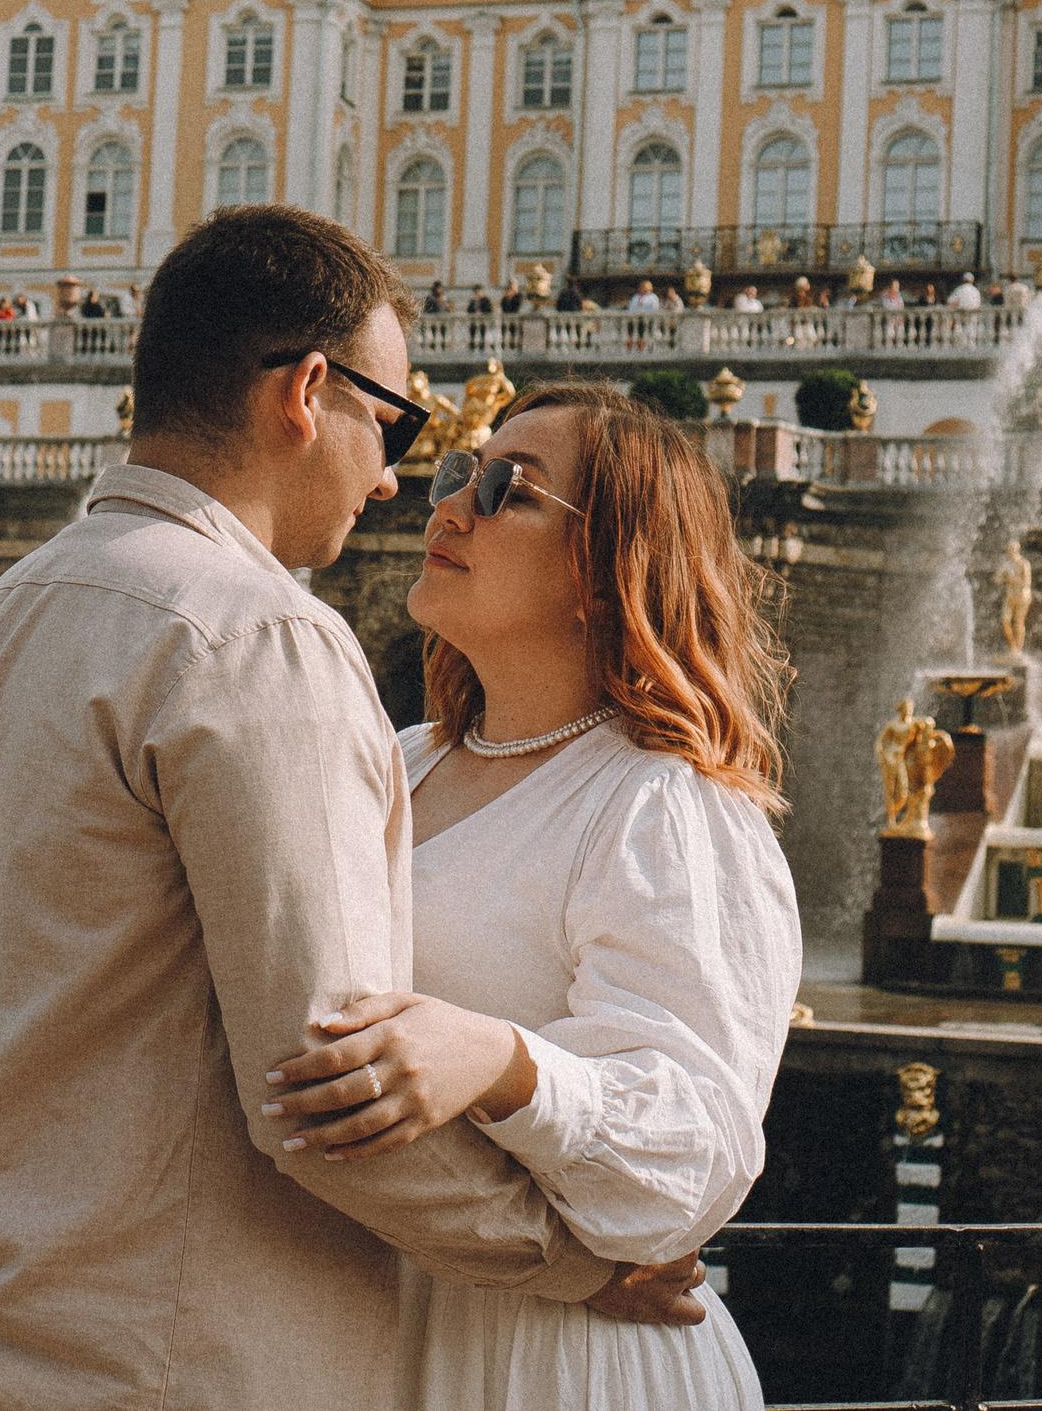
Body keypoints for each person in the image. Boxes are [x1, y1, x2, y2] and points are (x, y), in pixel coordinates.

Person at [0, 206, 700, 1411]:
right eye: (396, 426)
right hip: (133, 1360)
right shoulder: (260, 640)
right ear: (308, 392)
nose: (393, 479)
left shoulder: (10, 610)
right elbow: (320, 1087)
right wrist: (564, 1260)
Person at [267, 381, 799, 1409]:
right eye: (459, 473)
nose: (451, 506)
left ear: (604, 572)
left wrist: (502, 1065)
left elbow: (691, 1159)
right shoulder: (395, 762)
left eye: (510, 490)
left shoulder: (664, 805)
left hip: (553, 1362)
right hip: (368, 1327)